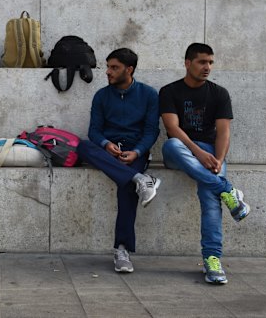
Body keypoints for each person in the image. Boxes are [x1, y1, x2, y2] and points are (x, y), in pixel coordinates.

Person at [159, 43, 250, 285]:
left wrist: (218, 160)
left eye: (210, 62)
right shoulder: (169, 91)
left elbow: (223, 133)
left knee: (210, 200)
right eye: (202, 62)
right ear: (188, 63)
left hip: (210, 153)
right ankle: (227, 190)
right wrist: (198, 153)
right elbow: (172, 129)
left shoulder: (219, 93)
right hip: (181, 151)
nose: (207, 67)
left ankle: (212, 259)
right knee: (170, 145)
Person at [77, 48, 161, 273]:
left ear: (129, 69)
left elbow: (152, 131)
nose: (108, 72)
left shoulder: (149, 95)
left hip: (135, 151)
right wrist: (106, 144)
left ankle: (121, 249)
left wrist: (137, 151)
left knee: (126, 189)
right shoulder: (102, 96)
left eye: (114, 67)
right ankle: (141, 179)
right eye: (108, 67)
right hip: (108, 150)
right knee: (83, 146)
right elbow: (94, 130)